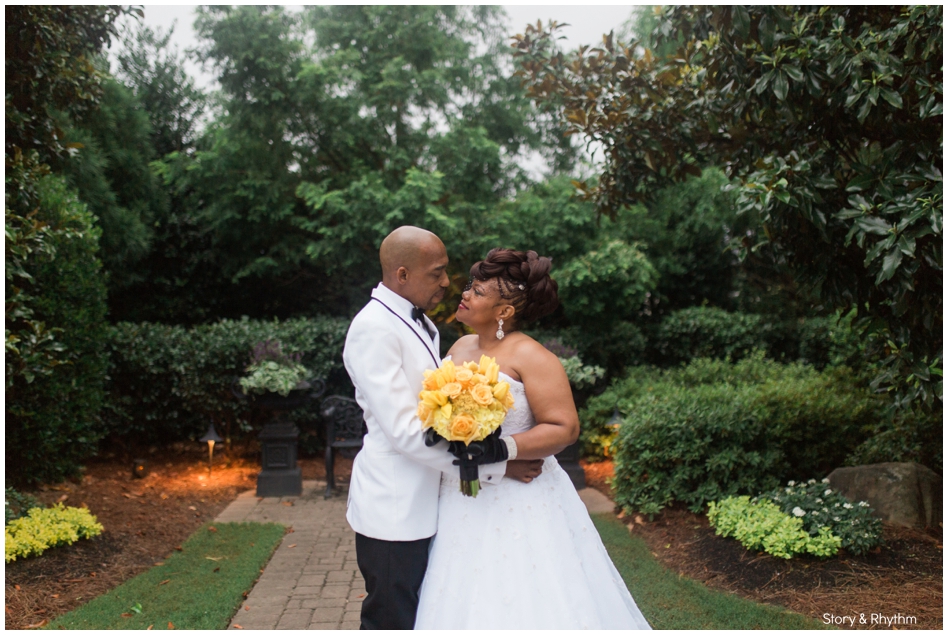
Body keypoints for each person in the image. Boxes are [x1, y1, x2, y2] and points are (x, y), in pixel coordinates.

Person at [414, 248, 652, 629]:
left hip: (522, 498)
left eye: (477, 290)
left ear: (504, 311)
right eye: (470, 287)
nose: (465, 294)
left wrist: (502, 449)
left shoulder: (533, 356)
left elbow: (564, 427)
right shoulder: (459, 348)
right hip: (460, 493)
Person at [342, 227, 544, 630]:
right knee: (390, 618)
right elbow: (405, 431)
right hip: (394, 508)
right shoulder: (373, 329)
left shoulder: (421, 324)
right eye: (437, 273)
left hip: (430, 501)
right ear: (402, 275)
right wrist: (495, 468)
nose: (447, 283)